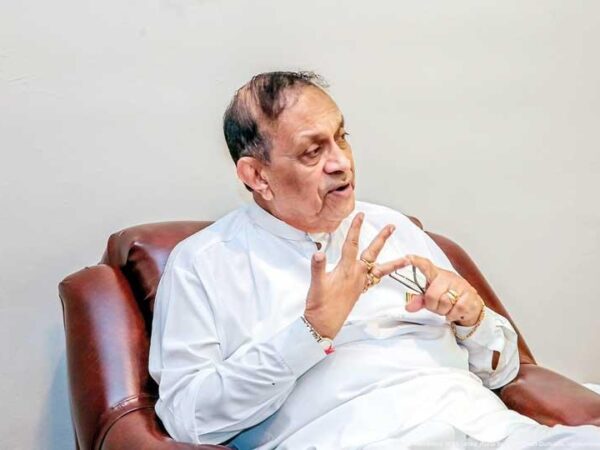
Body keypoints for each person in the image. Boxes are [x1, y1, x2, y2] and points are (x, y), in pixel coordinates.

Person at [149, 71, 600, 449]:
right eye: (313, 151)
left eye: (341, 138)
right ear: (257, 175)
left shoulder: (392, 227)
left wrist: (472, 318)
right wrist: (310, 332)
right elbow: (190, 419)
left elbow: (504, 370)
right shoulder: (203, 264)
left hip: (488, 432)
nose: (341, 163)